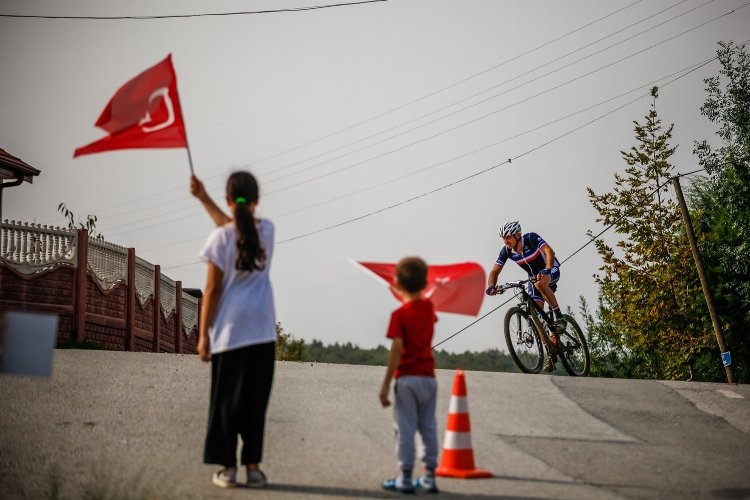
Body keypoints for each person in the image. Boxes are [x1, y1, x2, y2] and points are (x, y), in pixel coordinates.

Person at [195, 171, 276, 489]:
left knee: (227, 402)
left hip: (230, 331)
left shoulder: (220, 239)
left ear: (229, 200)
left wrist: (203, 335)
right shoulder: (267, 231)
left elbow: (212, 290)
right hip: (262, 329)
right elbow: (237, 226)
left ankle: (228, 469)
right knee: (256, 402)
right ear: (257, 200)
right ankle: (253, 469)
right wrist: (204, 199)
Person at [379, 256, 440, 494]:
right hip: (428, 378)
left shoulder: (399, 315)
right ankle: (430, 476)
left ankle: (405, 477)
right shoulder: (429, 308)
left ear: (399, 285)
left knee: (404, 428)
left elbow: (396, 350)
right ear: (424, 284)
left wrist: (385, 385)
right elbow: (426, 310)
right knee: (428, 427)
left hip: (406, 379)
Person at [486, 220, 564, 372]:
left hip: (550, 269)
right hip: (534, 277)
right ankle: (551, 352)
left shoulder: (531, 238)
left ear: (517, 235)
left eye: (508, 237)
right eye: (503, 238)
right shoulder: (507, 251)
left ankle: (560, 318)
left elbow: (549, 251)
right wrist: (491, 286)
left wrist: (548, 270)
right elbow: (494, 271)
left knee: (540, 284)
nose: (505, 241)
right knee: (536, 317)